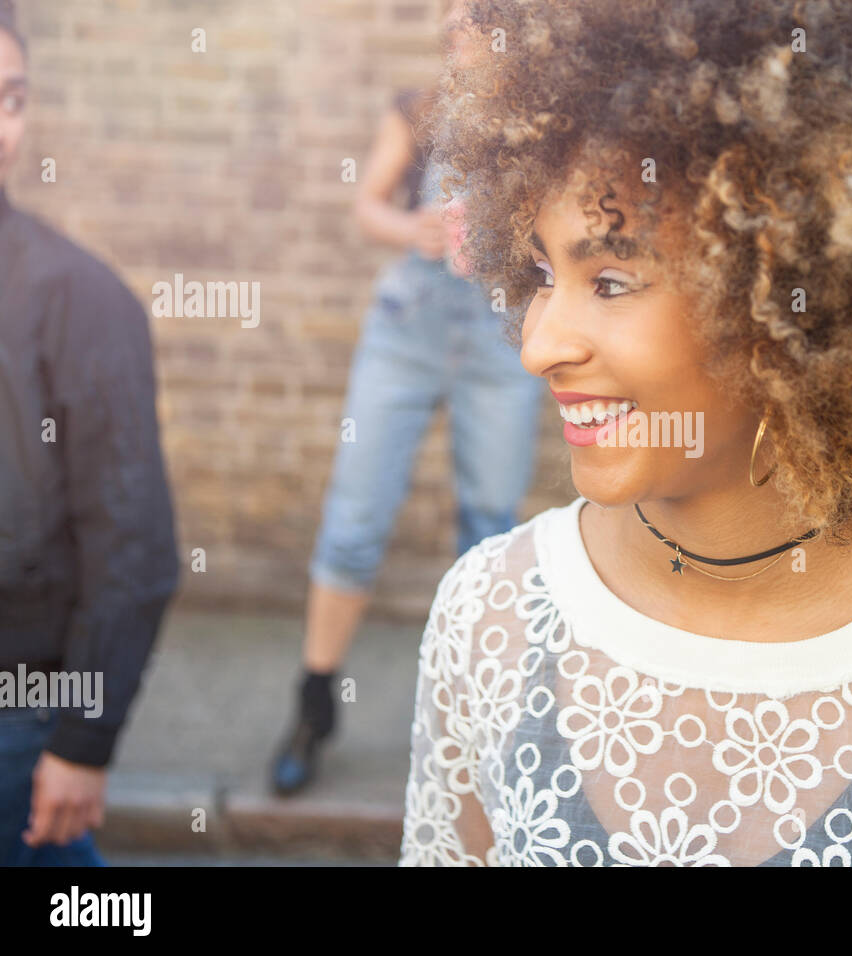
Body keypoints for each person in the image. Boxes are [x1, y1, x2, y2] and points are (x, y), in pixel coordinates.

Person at [399, 0, 852, 867]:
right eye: (539, 272)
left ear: (801, 295)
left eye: (610, 279)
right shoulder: (490, 614)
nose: (538, 344)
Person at [269, 6, 543, 795]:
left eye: (475, 20)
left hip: (500, 345)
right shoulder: (416, 111)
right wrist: (411, 226)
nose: (458, 29)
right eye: (452, 21)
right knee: (355, 522)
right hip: (405, 333)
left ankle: (468, 723)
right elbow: (367, 205)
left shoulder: (541, 127)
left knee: (491, 530)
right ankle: (314, 703)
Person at [0, 1, 179, 866]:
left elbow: (135, 542)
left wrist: (83, 739)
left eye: (10, 99)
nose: (3, 127)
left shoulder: (84, 302)